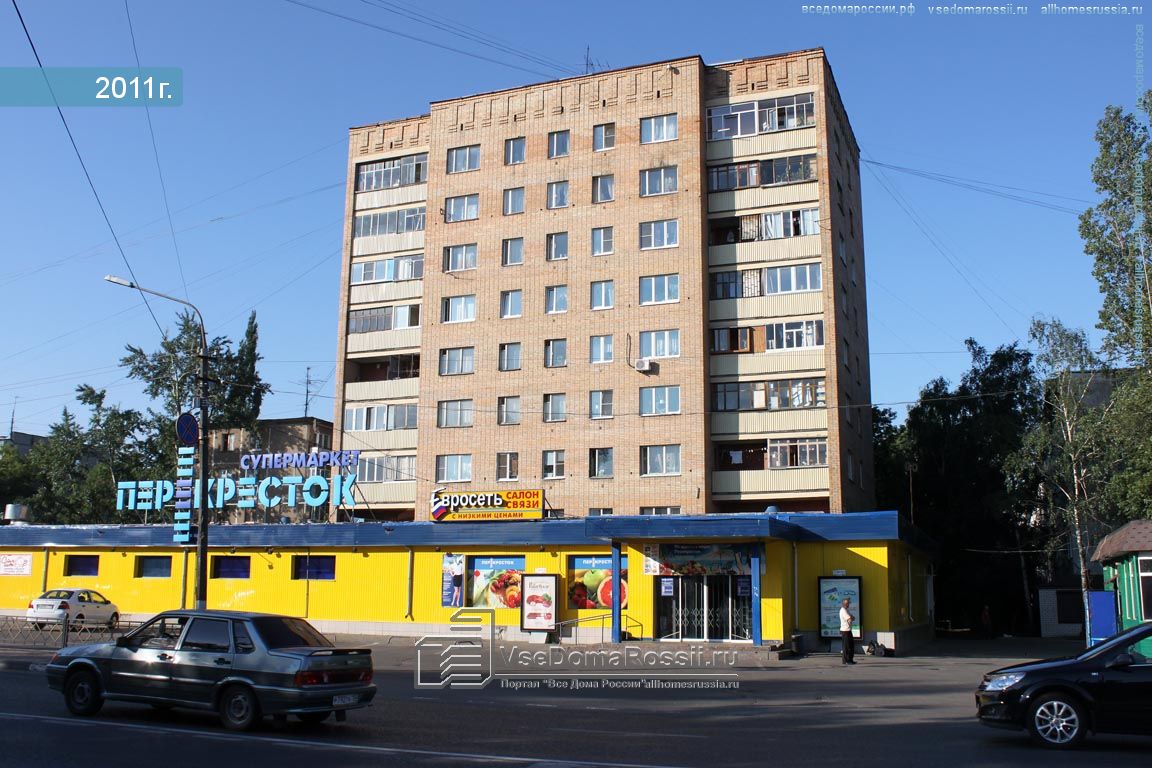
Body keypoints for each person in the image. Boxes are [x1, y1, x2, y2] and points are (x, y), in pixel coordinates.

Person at [840, 598, 857, 665]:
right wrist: (851, 618)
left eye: (848, 603)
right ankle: (846, 661)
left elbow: (853, 618)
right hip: (845, 631)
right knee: (846, 647)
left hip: (848, 630)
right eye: (847, 603)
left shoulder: (846, 610)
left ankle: (850, 660)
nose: (848, 604)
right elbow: (850, 619)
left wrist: (851, 618)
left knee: (851, 646)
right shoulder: (843, 610)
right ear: (844, 604)